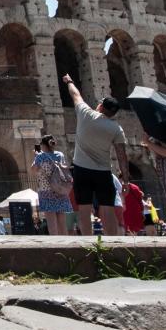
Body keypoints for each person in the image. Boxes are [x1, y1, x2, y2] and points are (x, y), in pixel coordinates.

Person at [61, 74, 128, 237]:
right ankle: (111, 240)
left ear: (101, 106)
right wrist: (125, 179)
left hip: (82, 169)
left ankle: (87, 241)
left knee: (84, 208)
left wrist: (69, 81)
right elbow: (122, 155)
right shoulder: (116, 129)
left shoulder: (86, 114)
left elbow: (75, 94)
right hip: (103, 171)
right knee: (108, 207)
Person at [32, 135, 72, 235]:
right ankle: (65, 244)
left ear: (43, 145)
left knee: (52, 223)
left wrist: (36, 155)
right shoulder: (60, 155)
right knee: (62, 222)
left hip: (46, 191)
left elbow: (34, 169)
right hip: (60, 189)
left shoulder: (40, 156)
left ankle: (56, 246)